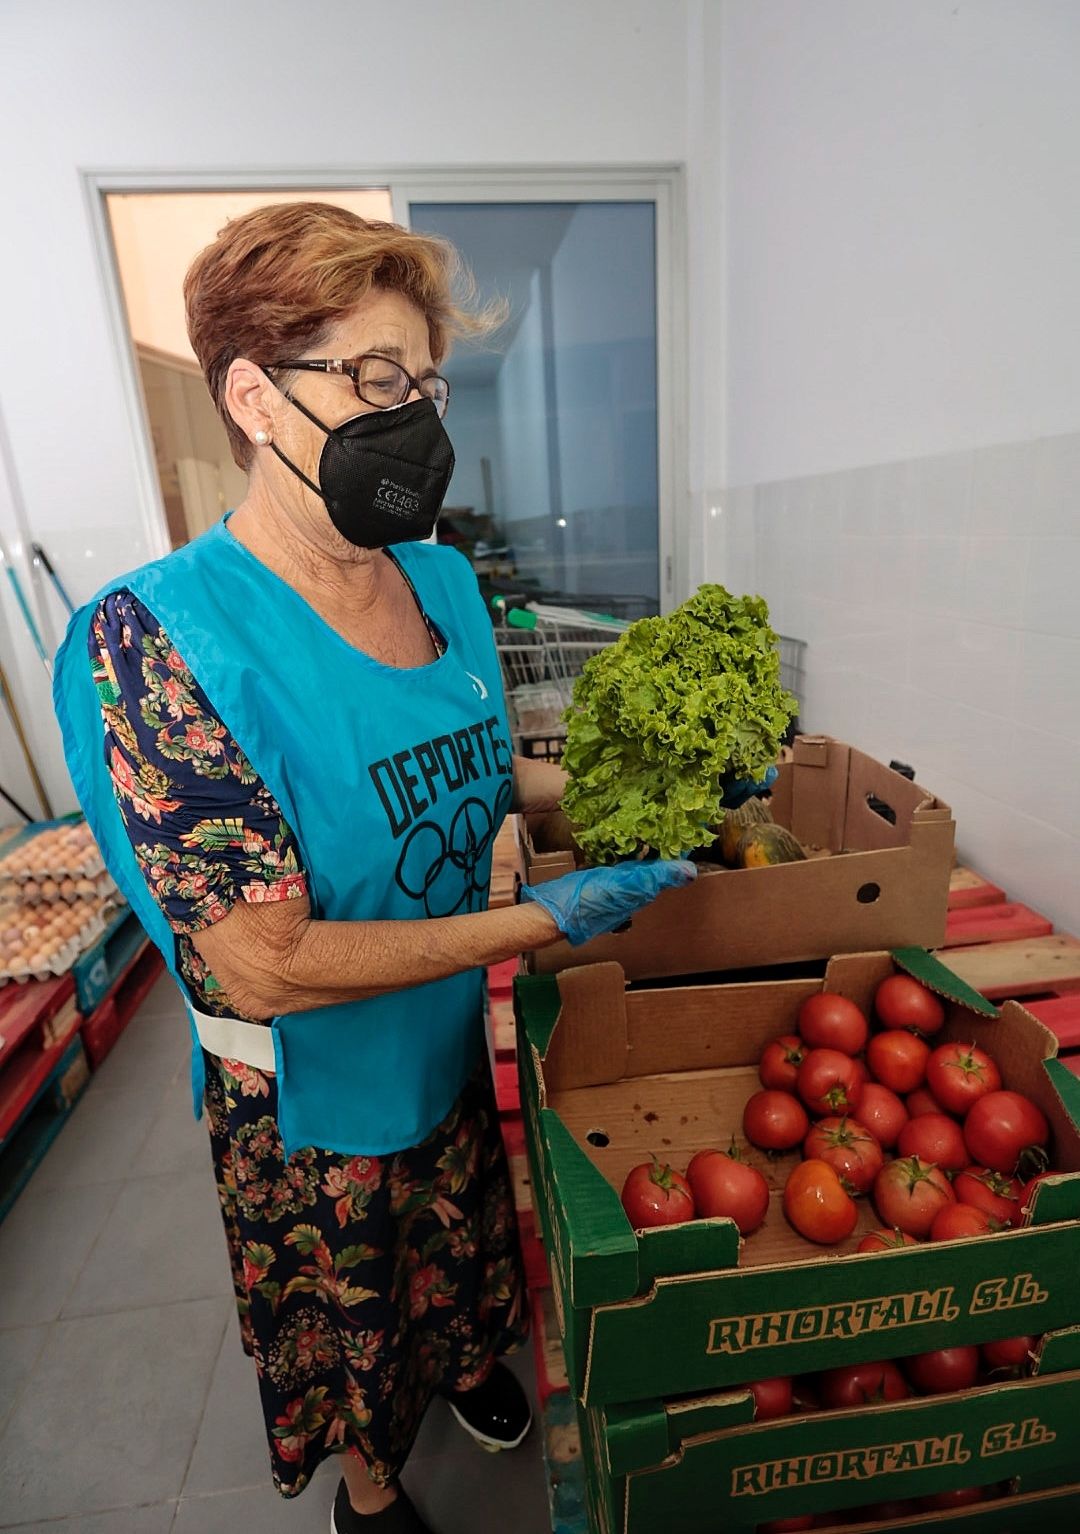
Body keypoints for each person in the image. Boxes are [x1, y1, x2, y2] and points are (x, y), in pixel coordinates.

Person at [52, 203, 715, 1533]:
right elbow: (268, 961)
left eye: (422, 380)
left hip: (451, 1041)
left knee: (465, 1252)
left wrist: (630, 790)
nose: (414, 414)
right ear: (252, 396)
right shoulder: (157, 646)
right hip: (313, 1113)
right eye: (372, 379)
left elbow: (480, 763)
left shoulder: (441, 580)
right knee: (358, 1319)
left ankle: (469, 1362)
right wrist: (535, 918)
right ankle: (373, 1483)